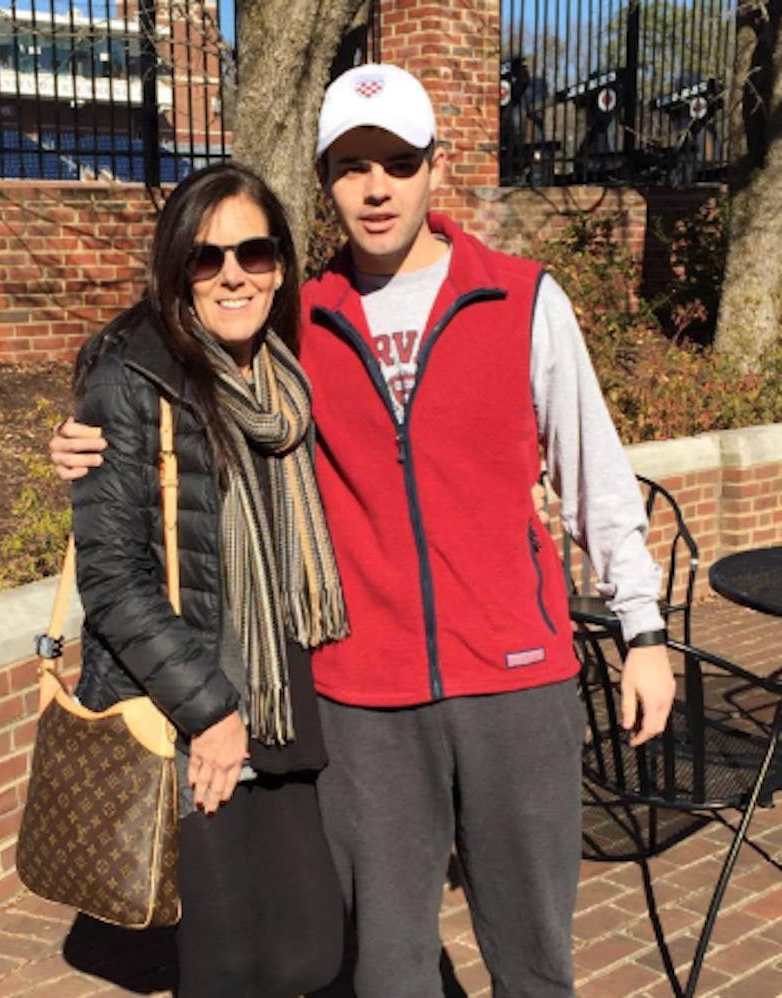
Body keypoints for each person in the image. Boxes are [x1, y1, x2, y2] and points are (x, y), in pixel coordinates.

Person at [51, 65, 676, 998]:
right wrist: (83, 427)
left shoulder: (522, 298)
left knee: (535, 958)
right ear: (326, 180)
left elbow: (597, 478)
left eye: (398, 161)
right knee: (385, 968)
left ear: (434, 167)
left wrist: (644, 630)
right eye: (351, 166)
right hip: (363, 696)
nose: (376, 186)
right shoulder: (298, 318)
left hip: (517, 678)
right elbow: (173, 338)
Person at [69, 161, 346, 998]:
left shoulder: (286, 380)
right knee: (228, 968)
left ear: (281, 265)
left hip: (288, 701)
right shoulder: (131, 378)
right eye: (206, 255)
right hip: (203, 716)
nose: (233, 274)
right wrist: (210, 709)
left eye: (254, 253)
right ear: (176, 267)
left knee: (308, 951)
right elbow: (111, 578)